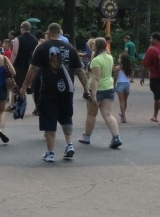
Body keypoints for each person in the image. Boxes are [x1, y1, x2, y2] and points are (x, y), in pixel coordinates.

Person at [18, 23, 89, 163]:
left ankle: (50, 153)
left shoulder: (42, 47)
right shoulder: (70, 48)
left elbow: (33, 69)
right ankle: (69, 144)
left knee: (49, 119)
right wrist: (86, 88)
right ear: (60, 33)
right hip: (67, 90)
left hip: (49, 89)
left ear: (49, 33)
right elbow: (80, 70)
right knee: (66, 116)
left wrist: (25, 86)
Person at [81, 37, 122, 148]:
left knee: (91, 114)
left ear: (97, 46)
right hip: (108, 88)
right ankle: (116, 137)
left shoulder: (96, 60)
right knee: (108, 114)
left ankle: (87, 137)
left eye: (93, 44)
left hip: (97, 89)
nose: (92, 45)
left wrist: (93, 94)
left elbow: (95, 78)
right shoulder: (109, 57)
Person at [12, 21, 40, 116]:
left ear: (22, 28)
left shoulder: (18, 39)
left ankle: (18, 105)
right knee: (32, 88)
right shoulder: (35, 40)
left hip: (20, 66)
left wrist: (10, 64)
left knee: (19, 86)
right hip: (32, 66)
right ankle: (37, 107)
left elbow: (14, 53)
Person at [116, 52, 133, 123]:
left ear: (121, 60)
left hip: (120, 84)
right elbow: (132, 74)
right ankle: (122, 114)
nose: (118, 59)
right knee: (125, 100)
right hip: (127, 84)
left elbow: (115, 77)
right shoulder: (129, 68)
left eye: (119, 58)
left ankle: (123, 116)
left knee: (121, 101)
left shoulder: (118, 68)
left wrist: (114, 85)